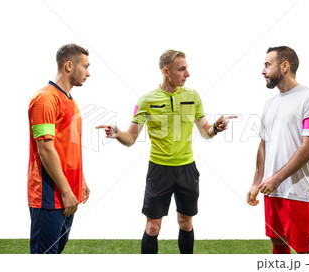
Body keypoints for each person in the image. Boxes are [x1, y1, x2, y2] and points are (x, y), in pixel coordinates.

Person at [97, 49, 236, 254]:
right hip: (159, 171)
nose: (187, 73)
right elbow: (131, 138)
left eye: (187, 68)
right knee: (153, 227)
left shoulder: (193, 96)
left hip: (186, 169)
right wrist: (117, 133)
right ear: (166, 71)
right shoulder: (146, 101)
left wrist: (216, 127)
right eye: (182, 69)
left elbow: (206, 132)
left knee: (185, 223)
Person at [247, 46, 309, 254]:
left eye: (267, 65)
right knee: (278, 248)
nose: (263, 71)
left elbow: (308, 148)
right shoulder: (270, 104)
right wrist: (258, 181)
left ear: (284, 67)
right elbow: (264, 144)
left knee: (305, 254)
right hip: (272, 192)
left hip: (298, 193)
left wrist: (276, 179)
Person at [27, 43, 91, 254]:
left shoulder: (70, 102)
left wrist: (80, 180)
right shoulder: (46, 99)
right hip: (50, 193)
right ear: (69, 66)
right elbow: (45, 149)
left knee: (57, 251)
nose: (88, 73)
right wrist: (65, 190)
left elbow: (70, 147)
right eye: (85, 66)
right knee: (44, 254)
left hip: (68, 193)